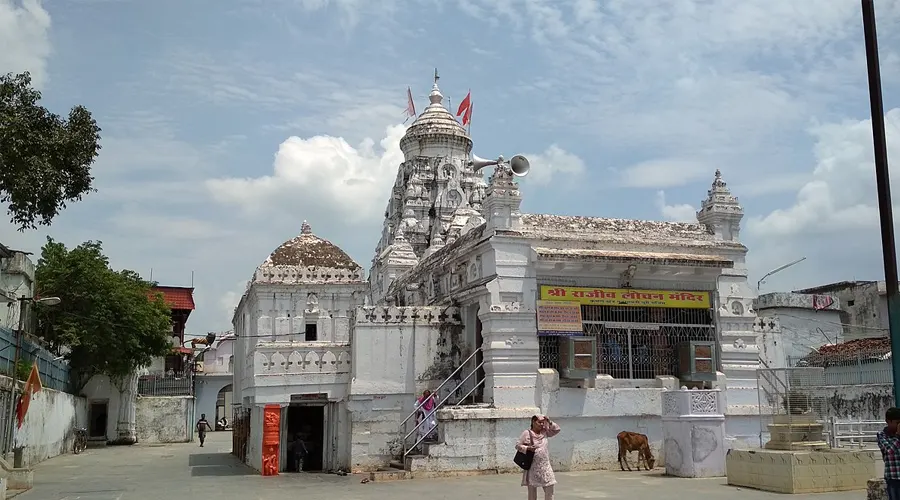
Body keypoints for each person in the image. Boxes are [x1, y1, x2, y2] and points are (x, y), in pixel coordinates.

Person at [516, 415, 561, 500]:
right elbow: (517, 445)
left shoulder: (545, 432)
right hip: (532, 467)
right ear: (533, 422)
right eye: (539, 422)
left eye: (543, 423)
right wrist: (528, 448)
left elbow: (557, 430)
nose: (541, 424)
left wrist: (549, 421)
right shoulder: (527, 433)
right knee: (532, 493)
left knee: (550, 488)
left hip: (545, 466)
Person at [877, 407, 900, 500]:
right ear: (888, 421)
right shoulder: (882, 435)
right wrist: (898, 435)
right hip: (893, 477)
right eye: (897, 422)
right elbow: (890, 450)